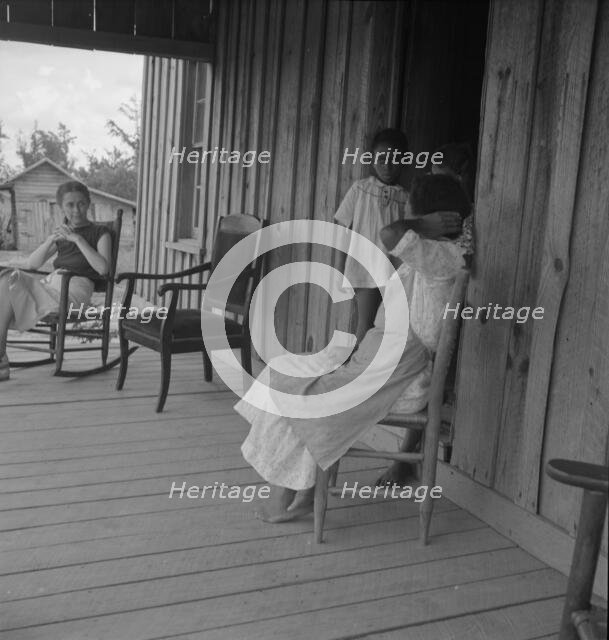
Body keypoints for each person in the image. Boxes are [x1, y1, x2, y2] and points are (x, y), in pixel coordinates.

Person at [235, 209, 468, 523]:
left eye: (419, 214)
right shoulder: (425, 260)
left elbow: (390, 233)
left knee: (305, 397)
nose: (412, 220)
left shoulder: (441, 260)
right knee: (283, 372)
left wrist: (420, 224)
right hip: (380, 357)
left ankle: (285, 495)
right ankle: (302, 489)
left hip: (403, 375)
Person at [0, 181, 111, 381]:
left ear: (88, 204)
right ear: (61, 207)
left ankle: (0, 358)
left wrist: (78, 240)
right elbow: (33, 264)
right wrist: (51, 239)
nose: (76, 210)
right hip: (51, 286)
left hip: (74, 289)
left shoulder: (100, 233)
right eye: (70, 205)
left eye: (81, 204)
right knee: (7, 278)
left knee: (7, 283)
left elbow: (103, 269)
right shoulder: (61, 235)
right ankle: (1, 356)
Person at [334, 128, 410, 346]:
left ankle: (377, 372)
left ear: (404, 160)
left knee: (388, 325)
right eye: (382, 159)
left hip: (393, 270)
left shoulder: (406, 198)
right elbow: (341, 228)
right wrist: (340, 268)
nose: (387, 165)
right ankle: (356, 373)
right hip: (363, 266)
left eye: (394, 159)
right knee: (364, 325)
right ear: (372, 159)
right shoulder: (360, 189)